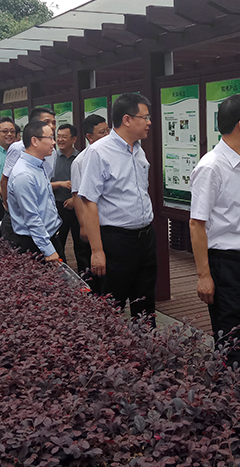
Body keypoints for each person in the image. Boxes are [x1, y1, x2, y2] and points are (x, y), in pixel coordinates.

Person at [189, 94, 240, 370]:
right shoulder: (211, 167)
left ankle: (234, 396)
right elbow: (196, 223)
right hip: (226, 266)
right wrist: (204, 276)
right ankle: (229, 401)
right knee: (230, 342)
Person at [78, 93, 157, 324]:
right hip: (116, 241)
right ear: (127, 119)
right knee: (112, 307)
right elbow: (89, 202)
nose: (149, 122)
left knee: (145, 306)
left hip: (145, 238)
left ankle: (146, 353)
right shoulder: (99, 152)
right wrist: (97, 250)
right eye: (145, 117)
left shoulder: (139, 149)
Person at [5, 120, 64, 259]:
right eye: (50, 138)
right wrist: (49, 251)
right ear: (34, 141)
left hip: (48, 237)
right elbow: (32, 217)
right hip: (35, 244)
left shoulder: (38, 165)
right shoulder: (24, 174)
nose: (54, 142)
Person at [70, 115, 110, 272]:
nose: (107, 135)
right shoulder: (80, 161)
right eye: (102, 132)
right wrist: (83, 226)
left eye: (108, 130)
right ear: (89, 137)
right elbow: (78, 196)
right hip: (92, 222)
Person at [52, 124, 83, 264]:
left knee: (81, 245)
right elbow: (43, 184)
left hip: (79, 207)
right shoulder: (51, 158)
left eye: (64, 137)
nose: (60, 140)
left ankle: (85, 279)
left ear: (74, 139)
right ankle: (62, 281)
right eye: (58, 136)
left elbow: (88, 183)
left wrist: (74, 199)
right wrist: (60, 184)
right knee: (58, 244)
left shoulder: (81, 158)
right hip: (57, 207)